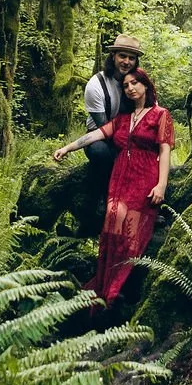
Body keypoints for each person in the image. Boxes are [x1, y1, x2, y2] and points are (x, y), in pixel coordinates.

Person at [52, 66, 172, 306]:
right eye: (126, 85)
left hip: (144, 174)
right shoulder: (123, 119)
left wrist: (161, 186)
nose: (130, 88)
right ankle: (107, 283)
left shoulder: (160, 114)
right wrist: (67, 148)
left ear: (146, 85)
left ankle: (121, 286)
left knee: (131, 229)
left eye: (135, 83)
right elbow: (95, 135)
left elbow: (165, 151)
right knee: (112, 222)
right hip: (119, 177)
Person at [76, 35, 143, 232]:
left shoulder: (137, 82)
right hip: (100, 136)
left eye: (131, 58)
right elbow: (104, 127)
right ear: (113, 56)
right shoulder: (96, 85)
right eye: (122, 56)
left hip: (130, 135)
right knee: (101, 153)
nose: (126, 62)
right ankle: (104, 202)